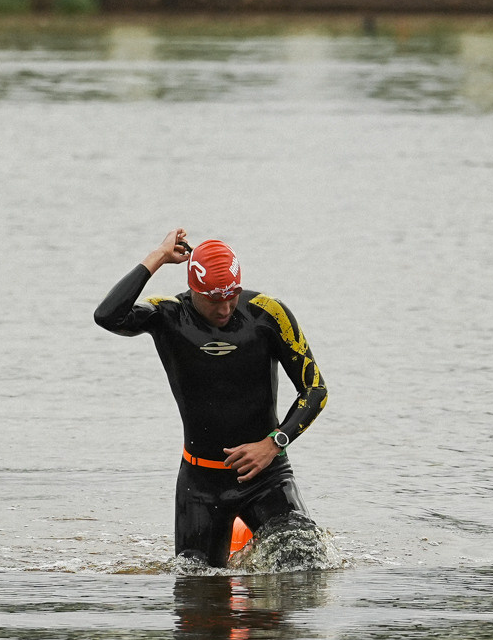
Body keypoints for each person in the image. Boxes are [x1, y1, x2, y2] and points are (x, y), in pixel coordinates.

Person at [95, 230, 328, 568]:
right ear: (194, 289)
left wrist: (274, 442)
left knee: (307, 566)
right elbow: (107, 316)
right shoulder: (169, 314)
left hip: (266, 477)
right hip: (200, 486)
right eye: (213, 299)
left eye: (231, 296)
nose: (224, 308)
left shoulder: (268, 313)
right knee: (195, 590)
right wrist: (158, 256)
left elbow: (315, 389)